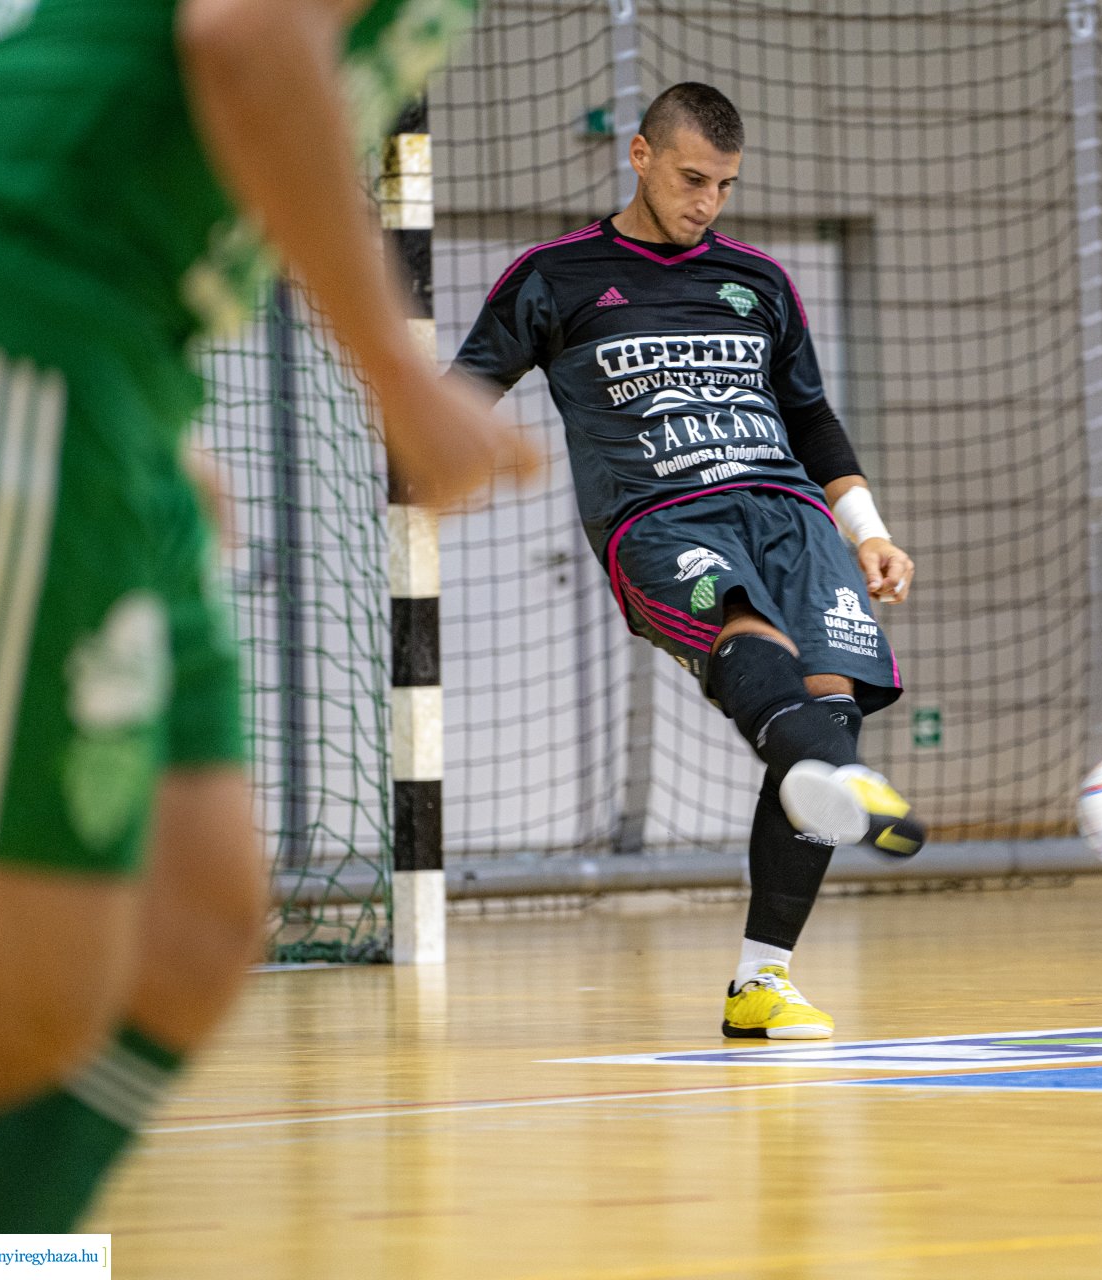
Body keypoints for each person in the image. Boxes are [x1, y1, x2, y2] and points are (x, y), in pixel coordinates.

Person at [0, 0, 536, 1230]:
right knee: (37, 989)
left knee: (198, 914)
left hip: (123, 362)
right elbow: (245, 35)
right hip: (25, 307)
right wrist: (399, 377)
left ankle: (5, 1249)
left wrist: (155, 418)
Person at [454, 82, 925, 1041]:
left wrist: (867, 527)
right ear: (639, 155)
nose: (707, 201)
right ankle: (827, 773)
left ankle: (762, 983)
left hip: (790, 511)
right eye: (691, 178)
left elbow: (813, 418)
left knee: (828, 709)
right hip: (661, 517)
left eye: (725, 185)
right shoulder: (556, 276)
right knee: (753, 646)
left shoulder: (759, 281)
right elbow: (464, 391)